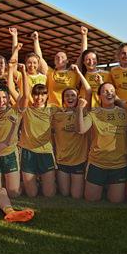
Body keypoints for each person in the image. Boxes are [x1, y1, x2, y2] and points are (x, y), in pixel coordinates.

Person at [76, 83, 127, 203]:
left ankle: (107, 187)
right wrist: (79, 109)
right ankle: (102, 186)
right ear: (99, 96)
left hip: (119, 164)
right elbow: (81, 130)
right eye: (105, 91)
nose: (109, 93)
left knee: (116, 200)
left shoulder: (124, 112)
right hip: (97, 163)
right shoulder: (94, 113)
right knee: (92, 199)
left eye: (111, 90)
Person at [10, 62, 56, 198]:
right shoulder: (27, 108)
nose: (39, 97)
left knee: (49, 194)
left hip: (45, 152)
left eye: (42, 95)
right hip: (28, 152)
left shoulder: (52, 109)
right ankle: (29, 182)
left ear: (47, 96)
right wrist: (23, 73)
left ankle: (48, 181)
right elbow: (21, 92)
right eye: (36, 94)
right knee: (32, 194)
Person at [50, 65, 91, 199]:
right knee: (65, 194)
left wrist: (78, 71)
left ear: (78, 97)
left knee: (76, 196)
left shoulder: (84, 112)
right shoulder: (57, 115)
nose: (70, 97)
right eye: (67, 96)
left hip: (79, 161)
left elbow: (89, 90)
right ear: (63, 100)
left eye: (73, 95)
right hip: (62, 161)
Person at [42, 30, 83, 107]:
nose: (60, 59)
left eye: (62, 57)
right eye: (57, 58)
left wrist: (84, 36)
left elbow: (82, 55)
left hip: (70, 109)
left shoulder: (73, 73)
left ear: (67, 61)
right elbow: (39, 58)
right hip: (53, 110)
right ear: (54, 61)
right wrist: (36, 40)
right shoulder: (50, 73)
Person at [76, 26, 112, 107]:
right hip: (84, 111)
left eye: (93, 59)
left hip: (100, 111)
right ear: (83, 62)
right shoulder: (81, 74)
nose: (91, 62)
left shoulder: (107, 74)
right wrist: (84, 36)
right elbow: (82, 53)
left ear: (98, 60)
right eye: (88, 59)